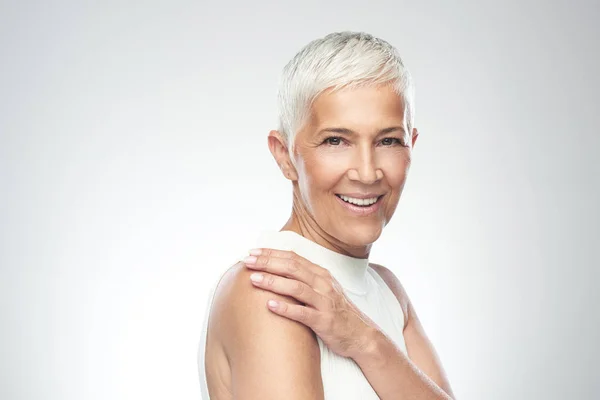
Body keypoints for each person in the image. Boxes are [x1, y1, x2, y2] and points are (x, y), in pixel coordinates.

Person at [197, 31, 455, 399]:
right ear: (285, 155)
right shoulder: (269, 290)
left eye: (388, 141)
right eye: (336, 141)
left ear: (411, 146)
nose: (367, 173)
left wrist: (365, 340)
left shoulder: (388, 291)